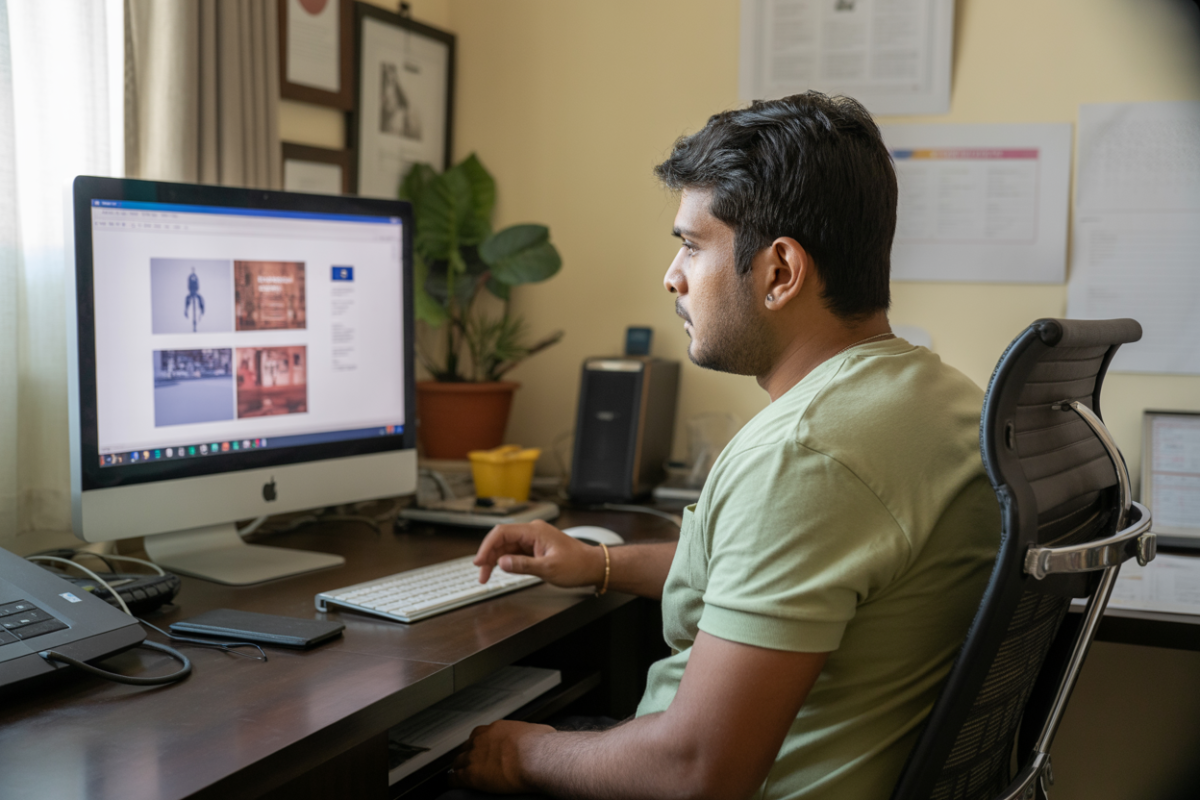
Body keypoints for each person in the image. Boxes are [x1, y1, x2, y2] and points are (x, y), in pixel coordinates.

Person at [447, 92, 1000, 800]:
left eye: (690, 244)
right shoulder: (937, 395)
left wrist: (522, 756)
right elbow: (786, 574)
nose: (672, 276)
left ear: (779, 272)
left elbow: (696, 771)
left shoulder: (805, 454)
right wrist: (600, 563)